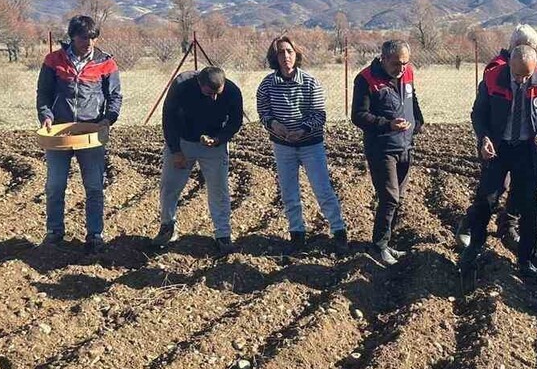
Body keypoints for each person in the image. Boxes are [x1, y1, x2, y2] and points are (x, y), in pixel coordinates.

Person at [459, 43, 537, 280]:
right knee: (486, 199)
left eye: (527, 75)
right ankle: (473, 249)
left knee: (528, 205)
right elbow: (478, 113)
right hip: (499, 147)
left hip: (528, 149)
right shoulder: (493, 78)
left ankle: (526, 259)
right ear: (509, 65)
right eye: (517, 75)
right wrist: (484, 138)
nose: (522, 80)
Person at [36, 15, 123, 253]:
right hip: (59, 132)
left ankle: (95, 234)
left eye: (93, 38)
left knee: (94, 186)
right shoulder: (54, 60)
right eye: (84, 37)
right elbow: (43, 93)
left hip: (91, 133)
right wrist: (46, 116)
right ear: (72, 36)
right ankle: (54, 232)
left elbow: (115, 96)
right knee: (55, 185)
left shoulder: (106, 63)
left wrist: (108, 119)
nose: (89, 42)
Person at [256, 35, 348, 254]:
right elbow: (263, 111)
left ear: (296, 54)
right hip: (282, 145)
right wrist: (274, 125)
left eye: (289, 51)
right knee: (289, 191)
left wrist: (303, 130)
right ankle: (297, 233)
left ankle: (339, 231)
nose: (285, 56)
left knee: (322, 189)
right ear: (274, 57)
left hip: (310, 145)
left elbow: (319, 115)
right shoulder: (267, 84)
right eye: (280, 52)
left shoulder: (310, 82)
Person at [457, 23, 537, 251]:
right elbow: (483, 110)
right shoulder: (496, 69)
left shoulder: (529, 68)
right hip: (496, 142)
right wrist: (485, 138)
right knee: (494, 189)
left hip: (522, 143)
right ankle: (469, 225)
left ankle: (507, 225)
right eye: (530, 46)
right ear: (517, 46)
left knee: (520, 188)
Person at [155, 66, 244, 254]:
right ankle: (167, 227)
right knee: (169, 186)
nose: (214, 98)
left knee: (219, 189)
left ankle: (223, 234)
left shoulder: (232, 91)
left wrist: (219, 139)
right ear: (199, 84)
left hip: (215, 146)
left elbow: (235, 122)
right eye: (209, 93)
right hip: (183, 141)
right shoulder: (181, 85)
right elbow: (168, 118)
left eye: (218, 93)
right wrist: (176, 151)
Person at [352, 39, 425, 265]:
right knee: (389, 198)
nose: (401, 68)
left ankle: (388, 242)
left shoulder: (408, 74)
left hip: (405, 145)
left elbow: (412, 101)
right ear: (383, 59)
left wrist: (419, 123)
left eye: (405, 63)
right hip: (381, 148)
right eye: (396, 64)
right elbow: (358, 115)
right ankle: (379, 245)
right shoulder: (366, 79)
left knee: (399, 198)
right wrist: (387, 124)